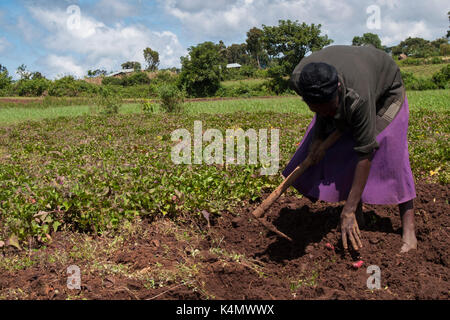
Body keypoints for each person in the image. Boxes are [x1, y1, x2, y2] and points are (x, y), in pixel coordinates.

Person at [283, 45, 417, 253]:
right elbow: (323, 111)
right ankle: (359, 215)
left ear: (337, 88)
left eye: (331, 108)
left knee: (391, 154)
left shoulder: (358, 96)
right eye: (320, 109)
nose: (328, 113)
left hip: (386, 94)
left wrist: (347, 210)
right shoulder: (300, 80)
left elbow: (365, 152)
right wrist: (318, 138)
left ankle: (408, 230)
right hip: (350, 90)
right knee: (340, 150)